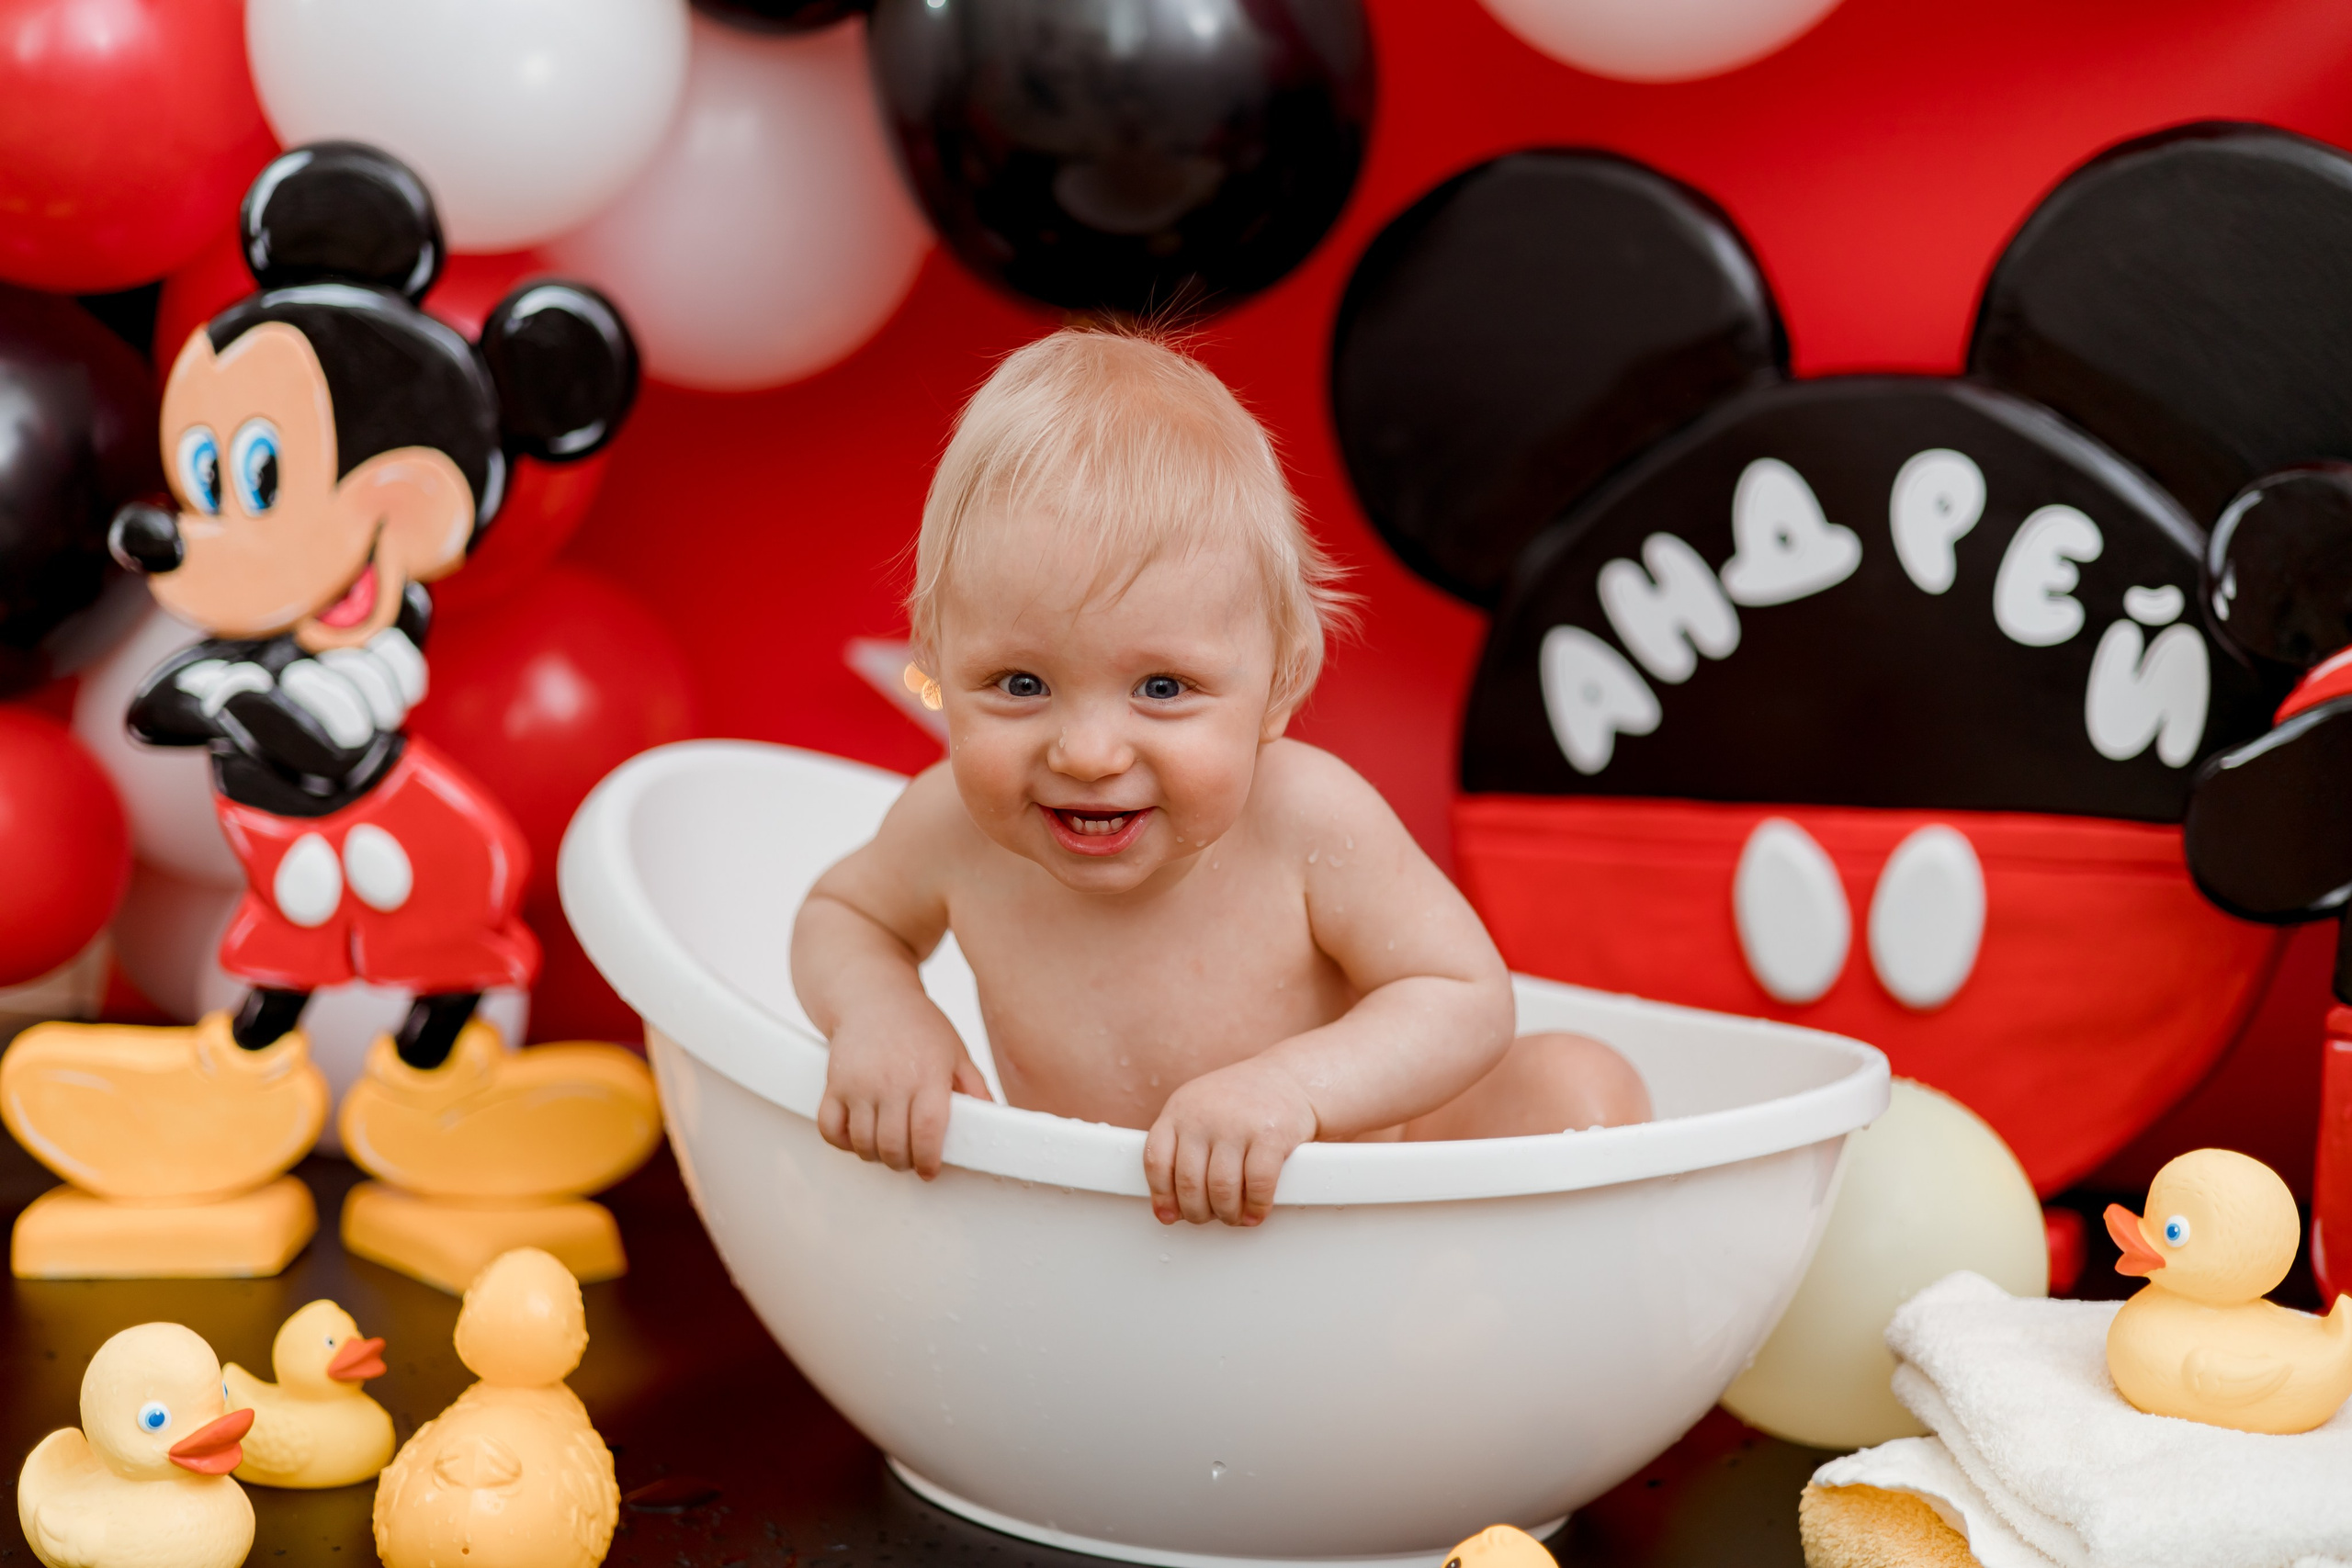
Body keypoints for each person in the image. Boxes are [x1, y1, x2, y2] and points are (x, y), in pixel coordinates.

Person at [793, 328, 1649, 1228]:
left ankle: (1483, 1318)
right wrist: (883, 1015)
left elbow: (1465, 999)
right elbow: (842, 917)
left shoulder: (1302, 820)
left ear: (1279, 687)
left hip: (1366, 1214)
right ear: (936, 663)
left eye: (1162, 689)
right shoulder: (949, 830)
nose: (1086, 753)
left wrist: (1292, 1090)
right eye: (1019, 685)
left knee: (1576, 1084)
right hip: (1111, 1240)